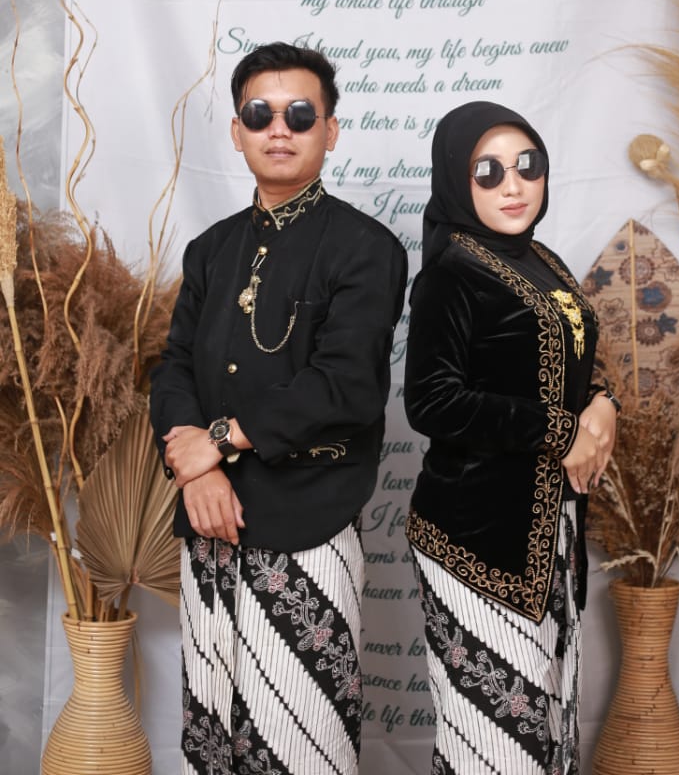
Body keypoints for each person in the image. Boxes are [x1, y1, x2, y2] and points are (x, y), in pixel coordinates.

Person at [149, 41, 408, 775]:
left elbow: (346, 386)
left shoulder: (366, 247)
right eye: (259, 114)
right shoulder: (210, 250)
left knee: (300, 741)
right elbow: (172, 369)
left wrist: (219, 439)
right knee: (215, 734)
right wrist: (197, 468)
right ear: (237, 132)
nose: (279, 129)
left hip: (307, 520)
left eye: (299, 114)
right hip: (208, 523)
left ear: (330, 130)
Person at [403, 101, 619, 775]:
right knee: (496, 746)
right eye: (487, 171)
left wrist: (604, 403)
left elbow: (569, 361)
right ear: (455, 179)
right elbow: (431, 400)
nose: (513, 185)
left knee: (548, 733)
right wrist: (559, 431)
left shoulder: (539, 259)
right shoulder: (450, 274)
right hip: (479, 536)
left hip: (550, 530)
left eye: (527, 165)